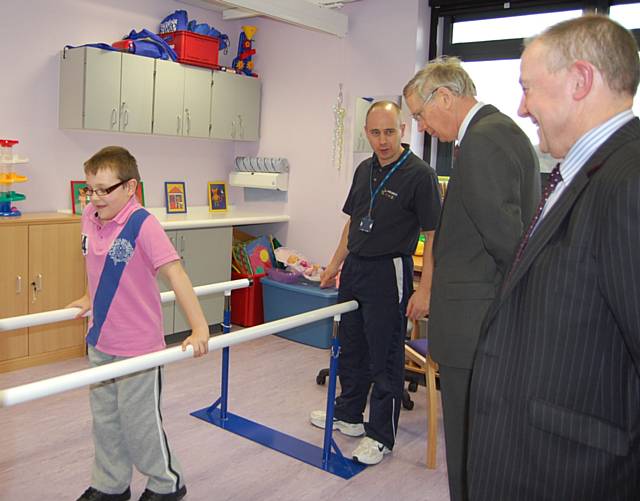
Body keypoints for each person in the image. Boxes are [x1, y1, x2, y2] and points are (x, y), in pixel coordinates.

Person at [467, 14, 640, 501]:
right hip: (531, 455)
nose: (522, 108)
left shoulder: (628, 181)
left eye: (528, 88)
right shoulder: (584, 173)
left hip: (573, 471)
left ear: (580, 80)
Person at [403, 57, 540, 501]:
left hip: (474, 323)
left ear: (444, 96)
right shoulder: (499, 134)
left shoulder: (483, 141)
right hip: (481, 319)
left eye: (420, 115)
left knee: (467, 446)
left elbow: (506, 238)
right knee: (479, 442)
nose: (421, 127)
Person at [68, 146, 210, 501]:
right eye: (90, 188)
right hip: (100, 339)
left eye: (104, 189)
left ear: (130, 187)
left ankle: (167, 483)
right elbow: (94, 262)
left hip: (138, 347)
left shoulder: (143, 224)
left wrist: (200, 328)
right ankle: (110, 484)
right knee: (105, 421)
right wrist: (89, 298)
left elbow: (176, 275)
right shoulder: (89, 215)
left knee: (139, 424)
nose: (95, 197)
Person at [309, 100, 442, 465]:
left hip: (389, 271)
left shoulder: (420, 175)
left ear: (403, 129)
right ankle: (349, 414)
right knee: (351, 348)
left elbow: (433, 237)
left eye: (389, 131)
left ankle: (381, 435)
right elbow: (352, 222)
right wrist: (334, 264)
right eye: (375, 132)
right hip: (355, 268)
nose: (382, 140)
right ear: (366, 132)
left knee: (385, 356)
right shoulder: (364, 169)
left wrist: (425, 288)